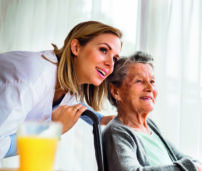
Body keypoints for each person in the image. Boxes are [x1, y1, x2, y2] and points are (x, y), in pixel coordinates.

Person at [103, 51, 202, 171]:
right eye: (139, 81)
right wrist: (196, 170)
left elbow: (180, 157)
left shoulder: (149, 126)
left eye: (152, 81)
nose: (150, 88)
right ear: (115, 91)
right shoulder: (117, 133)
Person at [0, 21, 122, 159]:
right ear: (76, 47)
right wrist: (52, 130)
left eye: (115, 59)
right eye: (103, 50)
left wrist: (101, 119)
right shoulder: (31, 79)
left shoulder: (68, 82)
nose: (110, 64)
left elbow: (75, 104)